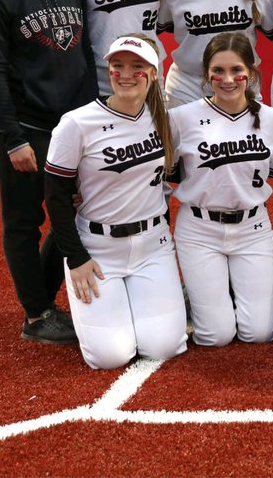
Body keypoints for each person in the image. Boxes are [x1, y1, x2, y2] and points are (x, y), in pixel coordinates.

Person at [0, 0, 97, 344]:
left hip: (70, 125)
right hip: (26, 126)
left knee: (74, 207)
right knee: (25, 221)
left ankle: (43, 300)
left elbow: (82, 59)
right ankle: (37, 314)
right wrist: (12, 138)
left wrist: (90, 122)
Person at [45, 34, 188, 369]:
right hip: (98, 250)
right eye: (118, 65)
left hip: (153, 246)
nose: (126, 74)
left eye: (137, 66)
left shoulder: (165, 120)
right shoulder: (77, 124)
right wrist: (76, 257)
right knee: (110, 357)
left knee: (164, 347)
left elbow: (182, 171)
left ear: (154, 73)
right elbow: (55, 197)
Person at [168, 33, 273, 346]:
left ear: (252, 72)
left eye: (236, 70)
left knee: (260, 333)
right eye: (218, 71)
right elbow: (158, 171)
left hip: (252, 228)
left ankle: (228, 290)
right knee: (216, 336)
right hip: (199, 230)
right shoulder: (181, 118)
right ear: (207, 75)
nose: (228, 79)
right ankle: (205, 298)